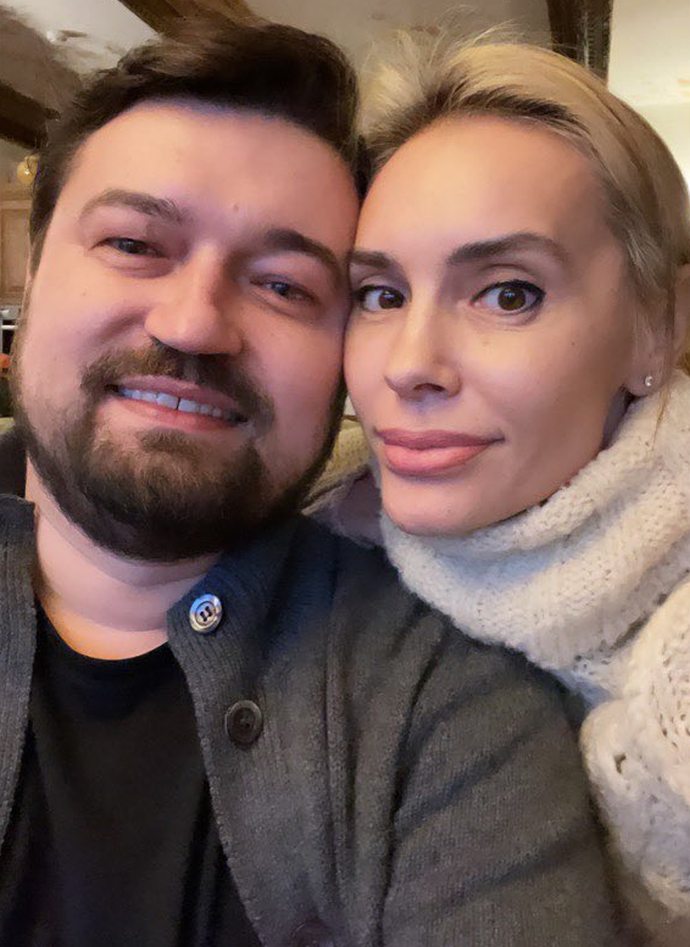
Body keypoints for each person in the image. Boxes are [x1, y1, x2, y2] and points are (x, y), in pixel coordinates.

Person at [0, 13, 621, 946]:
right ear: (33, 272)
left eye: (285, 285)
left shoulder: (445, 707)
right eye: (134, 244)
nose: (194, 323)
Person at [324, 29, 690, 944]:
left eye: (508, 293)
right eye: (380, 295)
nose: (409, 365)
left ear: (657, 326)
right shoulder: (317, 544)